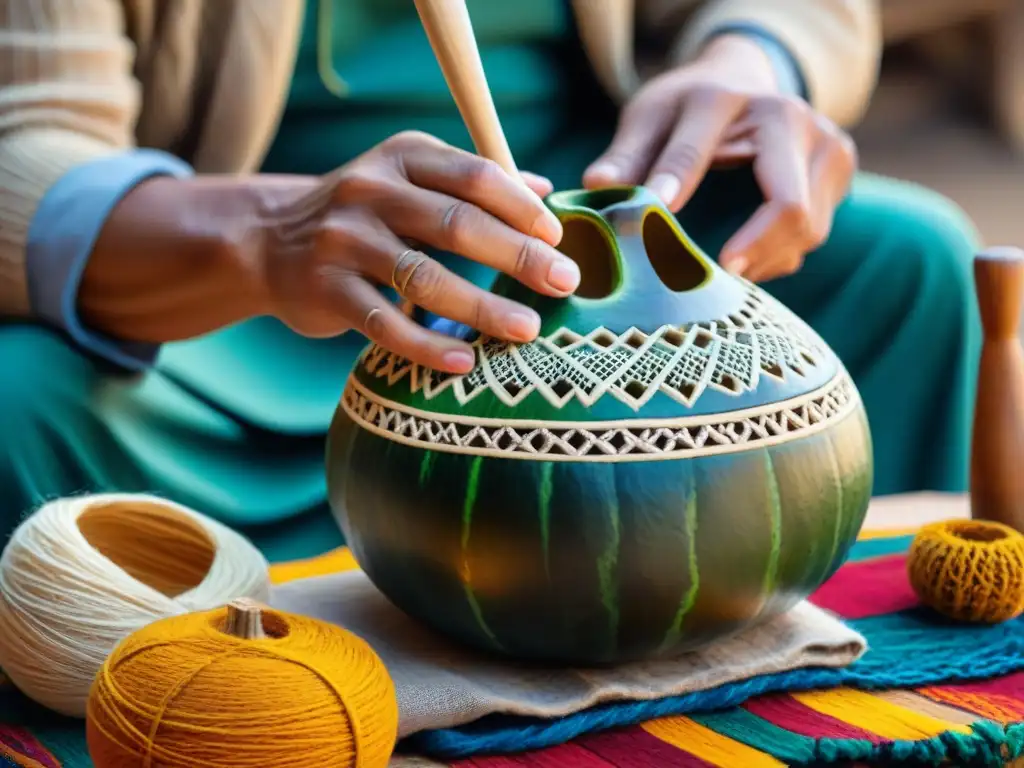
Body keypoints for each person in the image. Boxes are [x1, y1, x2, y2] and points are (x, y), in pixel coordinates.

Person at [0, 0, 980, 562]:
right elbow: (27, 135)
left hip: (590, 218)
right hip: (234, 305)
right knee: (17, 406)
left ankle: (851, 700)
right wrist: (266, 234)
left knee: (903, 261)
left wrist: (753, 60)